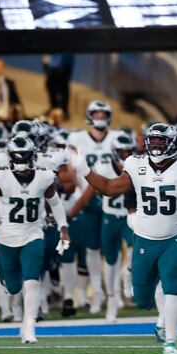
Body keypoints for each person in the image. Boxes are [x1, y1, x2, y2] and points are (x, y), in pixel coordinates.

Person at [70, 123, 177, 354]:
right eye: (153, 142)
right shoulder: (136, 164)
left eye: (161, 142)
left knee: (173, 289)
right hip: (144, 240)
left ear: (172, 144)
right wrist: (85, 171)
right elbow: (110, 188)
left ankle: (171, 342)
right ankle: (157, 313)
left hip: (174, 240)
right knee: (141, 299)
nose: (156, 146)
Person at [0, 135, 70, 344]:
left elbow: (55, 204)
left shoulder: (43, 176)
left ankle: (29, 327)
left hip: (33, 234)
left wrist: (63, 228)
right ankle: (18, 310)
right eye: (17, 156)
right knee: (12, 287)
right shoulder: (0, 176)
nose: (21, 160)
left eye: (25, 156)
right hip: (6, 237)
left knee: (32, 279)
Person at [66, 133, 136, 323]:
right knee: (110, 261)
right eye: (122, 151)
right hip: (110, 218)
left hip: (131, 218)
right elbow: (87, 194)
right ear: (114, 152)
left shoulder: (139, 166)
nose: (126, 153)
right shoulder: (104, 167)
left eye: (129, 150)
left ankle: (128, 280)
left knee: (134, 250)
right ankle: (112, 298)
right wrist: (69, 216)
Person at [66, 101, 119, 315]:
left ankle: (113, 292)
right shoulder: (76, 138)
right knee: (91, 247)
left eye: (102, 113)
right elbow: (70, 169)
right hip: (86, 197)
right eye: (95, 113)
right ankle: (97, 291)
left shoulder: (116, 138)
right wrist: (83, 189)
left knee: (111, 248)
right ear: (89, 116)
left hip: (113, 198)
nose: (99, 117)